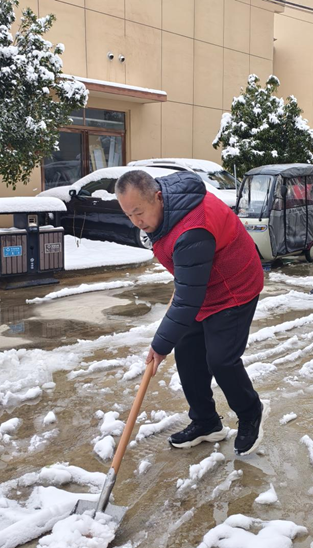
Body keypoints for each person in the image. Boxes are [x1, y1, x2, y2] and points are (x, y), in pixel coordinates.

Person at [115, 170, 268, 456]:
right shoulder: (166, 211)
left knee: (221, 359)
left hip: (234, 284)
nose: (136, 222)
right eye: (129, 215)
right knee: (187, 352)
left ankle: (250, 412)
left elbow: (187, 301)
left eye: (139, 213)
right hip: (203, 281)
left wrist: (159, 345)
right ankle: (207, 422)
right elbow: (189, 290)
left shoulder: (191, 231)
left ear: (158, 197)